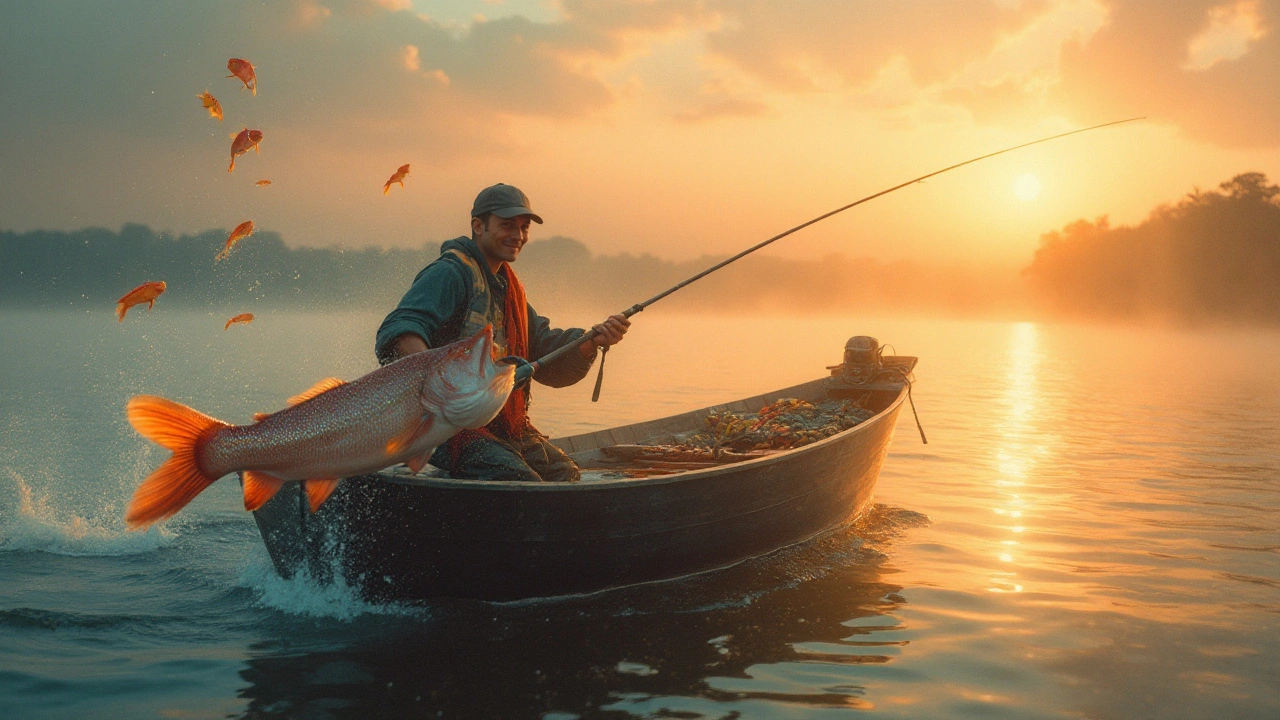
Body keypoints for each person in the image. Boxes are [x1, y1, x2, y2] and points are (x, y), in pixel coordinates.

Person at [375, 183, 629, 482]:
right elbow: (399, 330)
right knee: (521, 482)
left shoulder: (508, 288)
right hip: (441, 428)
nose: (518, 236)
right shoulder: (450, 272)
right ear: (478, 225)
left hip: (499, 426)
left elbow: (543, 348)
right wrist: (437, 378)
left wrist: (591, 342)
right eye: (507, 225)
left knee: (565, 474)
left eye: (523, 228)